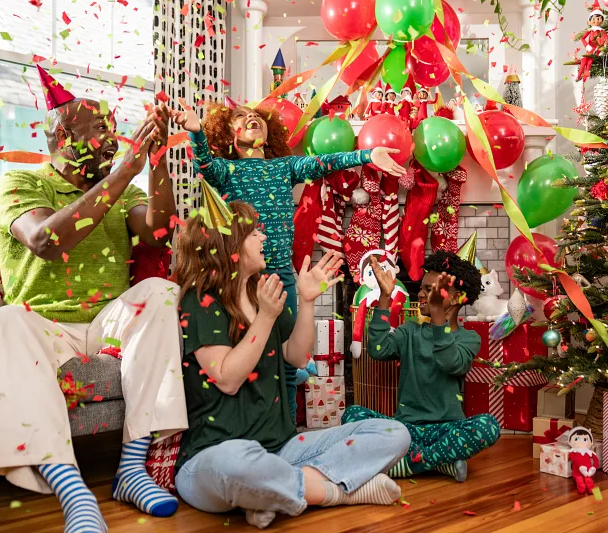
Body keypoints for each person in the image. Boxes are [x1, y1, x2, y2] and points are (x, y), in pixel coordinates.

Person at [0, 66, 187, 532]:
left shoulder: (124, 187)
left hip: (105, 324)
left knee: (161, 291)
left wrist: (155, 162)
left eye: (114, 129)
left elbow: (158, 231)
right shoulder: (18, 183)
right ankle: (73, 491)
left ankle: (132, 468)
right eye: (100, 129)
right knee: (1, 323)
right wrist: (125, 171)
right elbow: (45, 241)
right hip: (43, 327)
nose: (112, 139)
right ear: (62, 135)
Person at [173, 196, 411, 529]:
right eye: (254, 233)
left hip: (282, 449)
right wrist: (266, 317)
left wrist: (306, 299)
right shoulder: (199, 300)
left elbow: (297, 356)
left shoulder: (261, 292)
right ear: (230, 244)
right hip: (213, 456)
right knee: (240, 463)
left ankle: (271, 493)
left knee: (393, 432)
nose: (263, 238)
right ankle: (338, 493)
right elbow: (227, 377)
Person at [172, 98, 405, 423]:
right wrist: (196, 132)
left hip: (283, 279)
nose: (251, 116)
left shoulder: (283, 166)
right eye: (241, 116)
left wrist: (366, 155)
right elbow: (206, 166)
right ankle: (252, 430)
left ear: (268, 137)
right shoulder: (227, 171)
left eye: (256, 116)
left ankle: (285, 430)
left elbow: (323, 163)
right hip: (243, 281)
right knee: (253, 359)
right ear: (230, 137)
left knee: (287, 363)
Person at [342, 251, 501, 482]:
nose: (422, 294)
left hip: (447, 430)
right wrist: (385, 298)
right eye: (423, 288)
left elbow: (450, 363)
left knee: (488, 426)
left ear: (456, 298)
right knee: (352, 415)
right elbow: (377, 350)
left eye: (430, 290)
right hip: (404, 431)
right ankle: (439, 462)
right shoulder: (409, 331)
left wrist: (438, 315)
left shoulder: (469, 338)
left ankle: (405, 464)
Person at [577, 1, 608, 82]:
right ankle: (578, 76)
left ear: (602, 19)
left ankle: (584, 77)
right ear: (590, 20)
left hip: (598, 50)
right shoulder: (590, 30)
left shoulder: (602, 31)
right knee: (584, 60)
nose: (596, 20)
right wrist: (587, 46)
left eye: (599, 18)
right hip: (590, 49)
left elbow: (607, 39)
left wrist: (604, 48)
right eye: (594, 19)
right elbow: (582, 38)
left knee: (589, 62)